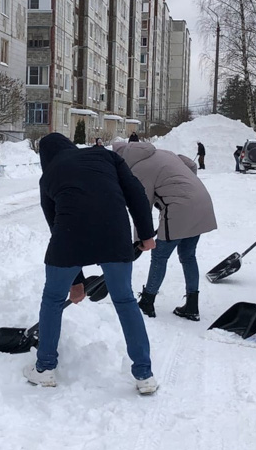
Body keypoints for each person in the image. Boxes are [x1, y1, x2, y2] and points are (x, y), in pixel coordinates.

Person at [27, 133, 159, 395]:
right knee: (125, 300)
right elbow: (136, 192)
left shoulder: (49, 175)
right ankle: (145, 375)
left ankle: (45, 369)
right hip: (114, 234)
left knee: (53, 300)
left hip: (69, 237)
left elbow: (55, 225)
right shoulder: (105, 156)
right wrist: (146, 233)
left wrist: (75, 283)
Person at [115, 141, 217, 321]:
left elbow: (141, 206)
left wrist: (140, 240)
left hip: (180, 208)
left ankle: (147, 302)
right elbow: (191, 165)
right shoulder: (164, 153)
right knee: (188, 256)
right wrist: (183, 188)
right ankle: (192, 305)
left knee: (159, 256)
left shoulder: (139, 169)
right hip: (202, 202)